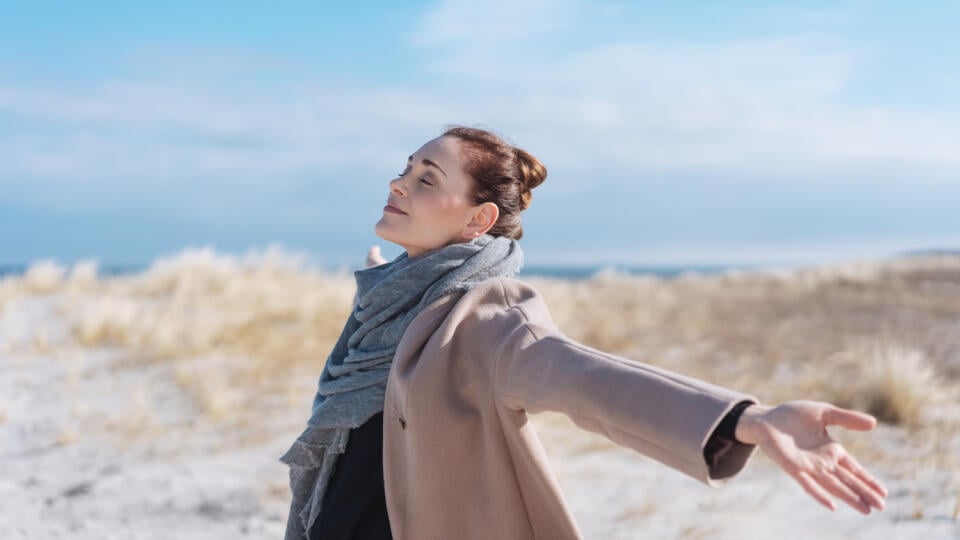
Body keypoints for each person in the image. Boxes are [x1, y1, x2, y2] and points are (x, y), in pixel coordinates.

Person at [279, 126, 888, 540]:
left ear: (477, 220)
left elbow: (590, 381)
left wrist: (744, 421)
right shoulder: (391, 301)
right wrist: (392, 292)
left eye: (427, 178)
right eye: (405, 170)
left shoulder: (487, 318)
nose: (399, 184)